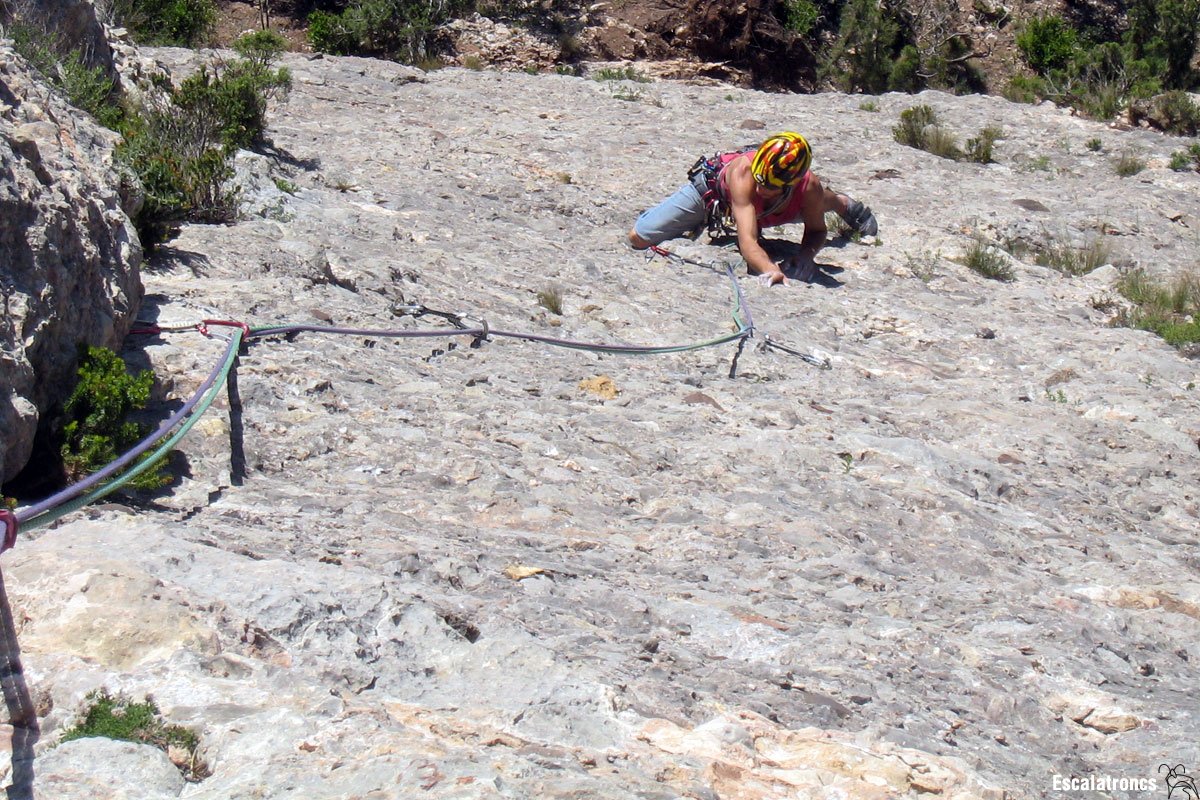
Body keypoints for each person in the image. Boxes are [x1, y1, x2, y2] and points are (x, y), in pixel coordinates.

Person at [627, 132, 878, 285]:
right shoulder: (743, 173)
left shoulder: (807, 186)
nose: (761, 189)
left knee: (817, 199)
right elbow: (748, 240)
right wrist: (771, 270)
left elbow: (816, 231)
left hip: (781, 207)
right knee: (639, 237)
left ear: (791, 183)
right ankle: (691, 218)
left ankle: (840, 203)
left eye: (770, 186)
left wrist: (805, 256)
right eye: (760, 181)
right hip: (716, 196)